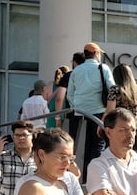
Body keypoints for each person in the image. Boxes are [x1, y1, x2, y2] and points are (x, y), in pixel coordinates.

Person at [66, 42, 116, 179]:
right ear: (96, 53)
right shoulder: (103, 68)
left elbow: (69, 94)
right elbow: (113, 89)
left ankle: (77, 177)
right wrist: (109, 109)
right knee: (97, 146)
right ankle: (93, 178)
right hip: (99, 112)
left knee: (78, 147)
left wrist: (75, 106)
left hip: (79, 113)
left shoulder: (76, 71)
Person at [58, 52, 85, 135]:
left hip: (72, 111)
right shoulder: (90, 75)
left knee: (72, 139)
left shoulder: (68, 76)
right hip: (90, 111)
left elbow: (59, 98)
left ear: (74, 62)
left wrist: (58, 117)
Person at [47, 65, 71, 129]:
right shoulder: (65, 86)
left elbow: (46, 99)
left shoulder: (50, 84)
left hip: (50, 114)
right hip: (61, 114)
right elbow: (59, 99)